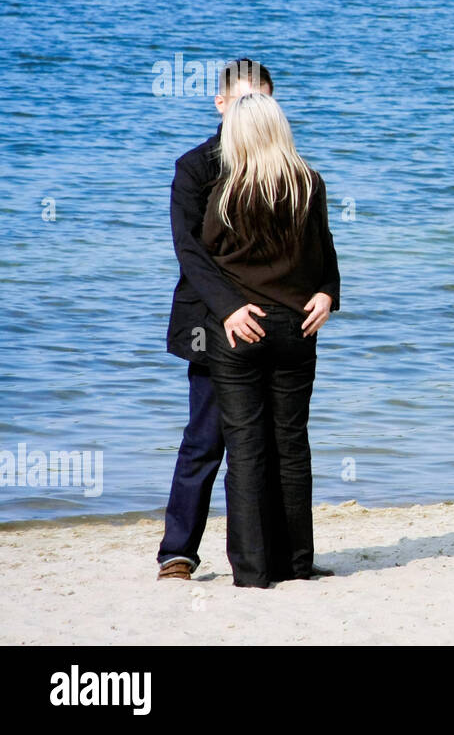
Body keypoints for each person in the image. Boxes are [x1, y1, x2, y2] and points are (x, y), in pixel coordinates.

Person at [201, 90, 339, 588]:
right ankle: (297, 563)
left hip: (241, 327)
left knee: (246, 449)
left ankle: (254, 571)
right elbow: (325, 252)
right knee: (291, 444)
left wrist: (229, 307)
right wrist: (327, 294)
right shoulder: (309, 183)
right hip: (298, 325)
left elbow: (209, 258)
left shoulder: (228, 191)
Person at [157, 59, 280, 581]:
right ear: (221, 103)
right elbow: (190, 252)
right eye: (244, 100)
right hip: (210, 320)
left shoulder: (282, 166)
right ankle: (177, 551)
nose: (254, 111)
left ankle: (264, 554)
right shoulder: (195, 167)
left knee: (269, 442)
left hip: (270, 321)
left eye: (264, 101)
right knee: (206, 439)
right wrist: (230, 309)